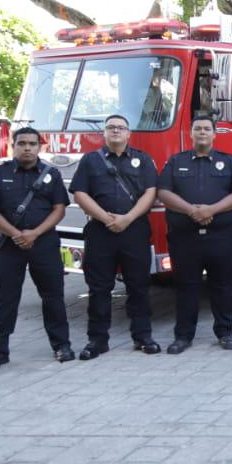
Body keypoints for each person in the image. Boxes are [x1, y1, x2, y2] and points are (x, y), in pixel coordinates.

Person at [0, 127, 74, 370]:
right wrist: (16, 234)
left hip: (44, 244)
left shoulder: (51, 174)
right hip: (10, 246)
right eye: (22, 143)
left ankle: (61, 345)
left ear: (40, 147)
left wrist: (34, 233)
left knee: (53, 297)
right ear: (14, 146)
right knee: (5, 299)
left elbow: (59, 209)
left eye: (32, 143)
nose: (27, 147)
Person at [69, 114, 160, 359]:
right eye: (111, 128)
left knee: (139, 286)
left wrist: (127, 218)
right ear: (104, 133)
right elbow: (80, 193)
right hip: (100, 231)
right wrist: (106, 218)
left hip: (135, 230)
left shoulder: (143, 159)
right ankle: (97, 340)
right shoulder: (90, 161)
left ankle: (143, 337)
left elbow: (151, 193)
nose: (116, 131)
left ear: (129, 133)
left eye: (121, 127)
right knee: (99, 288)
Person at [156, 116, 232, 353]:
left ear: (215, 134)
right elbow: (163, 192)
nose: (203, 132)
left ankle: (225, 332)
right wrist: (191, 211)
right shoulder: (176, 162)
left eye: (207, 129)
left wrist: (211, 210)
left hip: (221, 237)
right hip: (185, 238)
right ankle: (183, 336)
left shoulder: (228, 162)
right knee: (186, 286)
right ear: (191, 133)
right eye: (198, 129)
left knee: (223, 285)